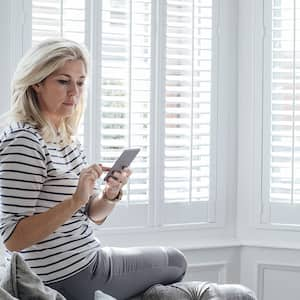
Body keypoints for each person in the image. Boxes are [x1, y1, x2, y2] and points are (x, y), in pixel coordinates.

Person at [0, 38, 187, 300]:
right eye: (63, 81)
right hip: (64, 274)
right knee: (175, 261)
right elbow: (13, 238)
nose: (74, 92)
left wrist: (109, 194)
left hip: (87, 257)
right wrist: (76, 199)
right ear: (37, 82)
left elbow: (90, 215)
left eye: (80, 82)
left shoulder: (64, 138)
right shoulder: (23, 141)